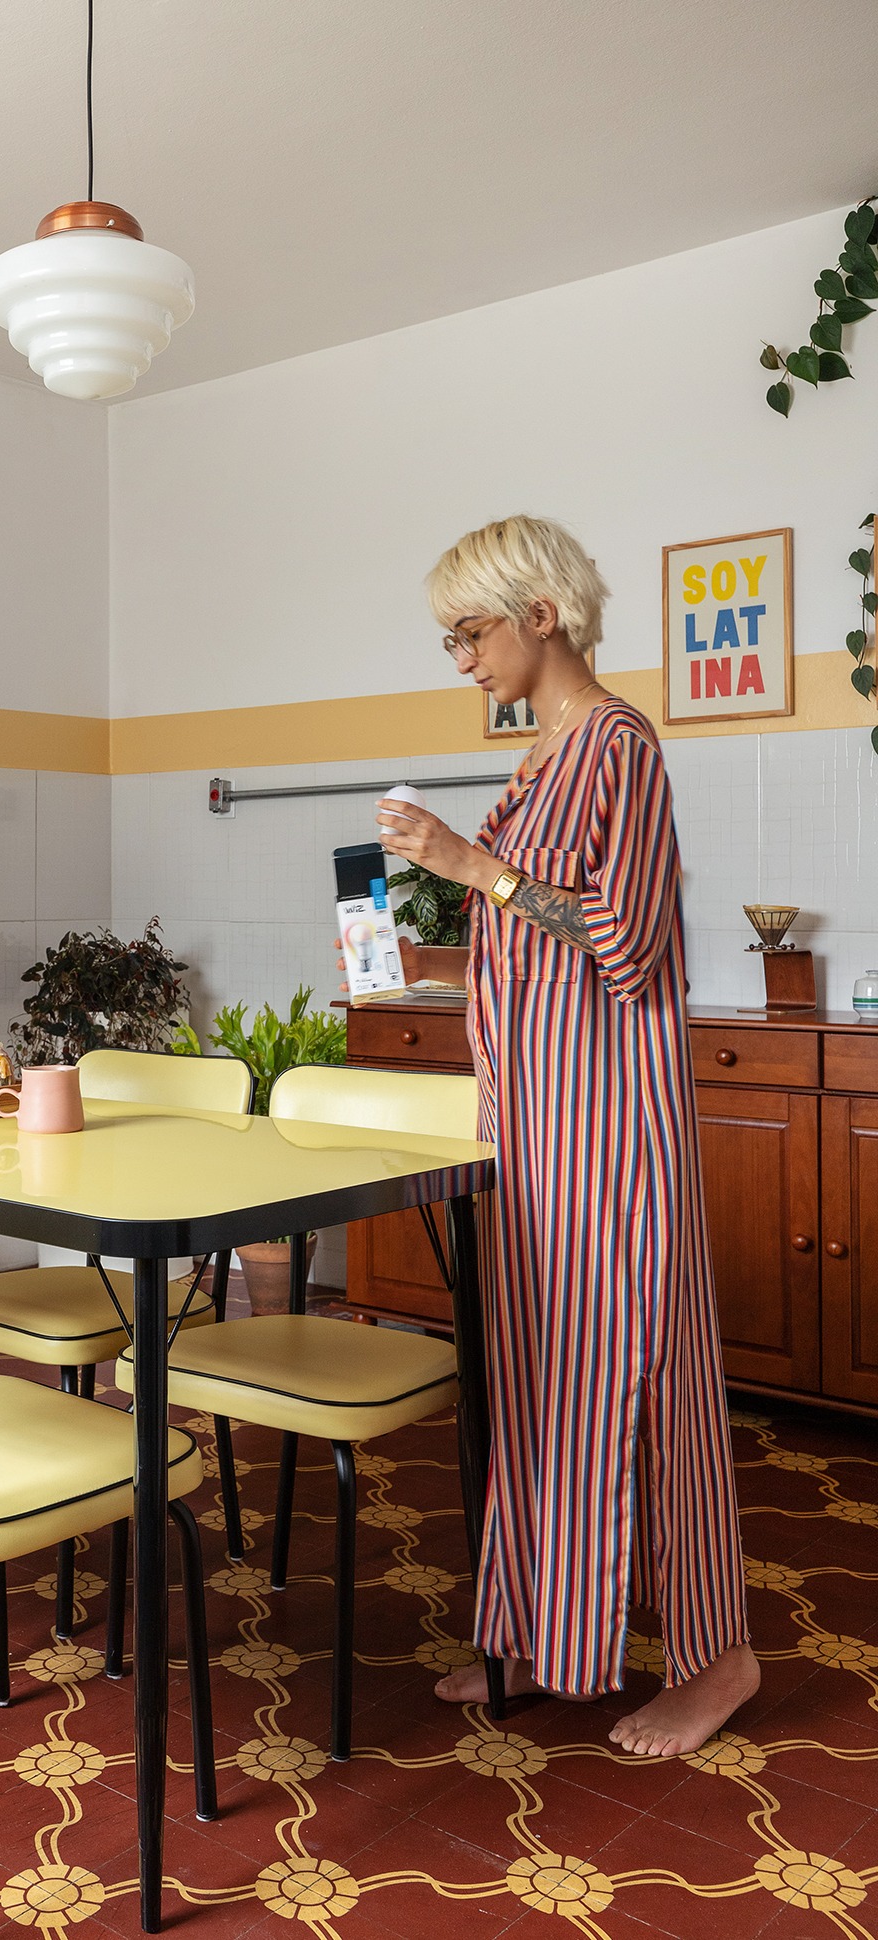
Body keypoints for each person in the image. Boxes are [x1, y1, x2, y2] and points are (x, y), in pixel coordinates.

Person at [378, 515, 758, 1759]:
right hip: (535, 1128)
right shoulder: (541, 757)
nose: (462, 657)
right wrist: (450, 893)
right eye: (449, 637)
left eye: (471, 630)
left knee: (652, 1381)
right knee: (545, 1384)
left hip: (614, 1133)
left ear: (540, 613)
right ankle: (547, 1634)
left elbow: (629, 940)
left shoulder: (620, 745)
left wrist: (471, 868)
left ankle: (721, 1657)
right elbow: (530, 921)